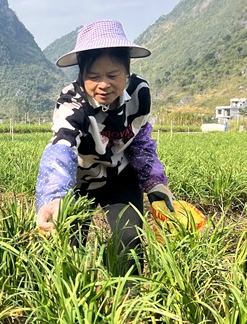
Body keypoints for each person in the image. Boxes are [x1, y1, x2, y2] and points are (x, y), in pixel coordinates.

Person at [35, 19, 174, 275]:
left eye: (113, 75)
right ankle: (71, 302)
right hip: (78, 180)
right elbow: (61, 146)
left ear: (127, 72)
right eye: (93, 76)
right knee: (68, 245)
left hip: (120, 176)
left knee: (129, 240)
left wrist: (155, 183)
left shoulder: (140, 93)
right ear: (81, 74)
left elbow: (140, 139)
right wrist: (54, 197)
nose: (104, 84)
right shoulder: (71, 102)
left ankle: (130, 302)